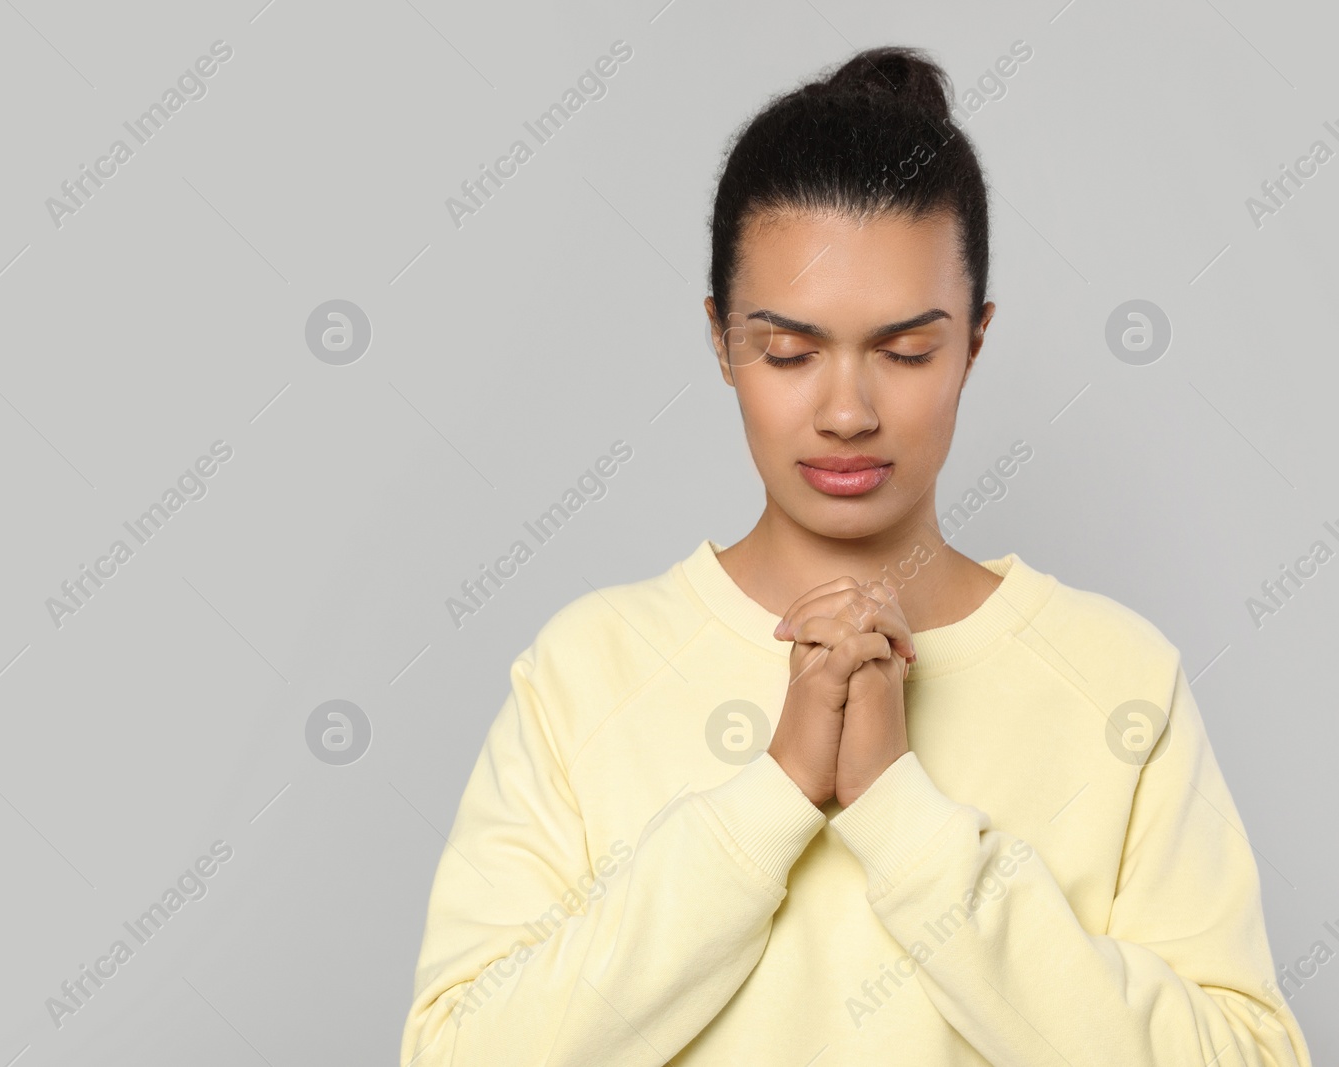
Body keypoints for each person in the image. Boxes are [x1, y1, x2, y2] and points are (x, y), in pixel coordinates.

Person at [399, 45, 1311, 1066]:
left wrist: (903, 820)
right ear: (721, 340)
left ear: (973, 342)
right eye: (788, 351)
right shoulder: (586, 669)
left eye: (905, 350)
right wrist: (774, 793)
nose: (845, 411)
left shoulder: (1117, 678)